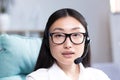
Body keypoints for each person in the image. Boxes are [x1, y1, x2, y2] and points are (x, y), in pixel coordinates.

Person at [26, 8, 110, 80]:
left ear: (86, 41)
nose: (68, 45)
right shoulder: (37, 78)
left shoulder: (99, 76)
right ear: (48, 41)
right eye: (59, 35)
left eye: (76, 35)